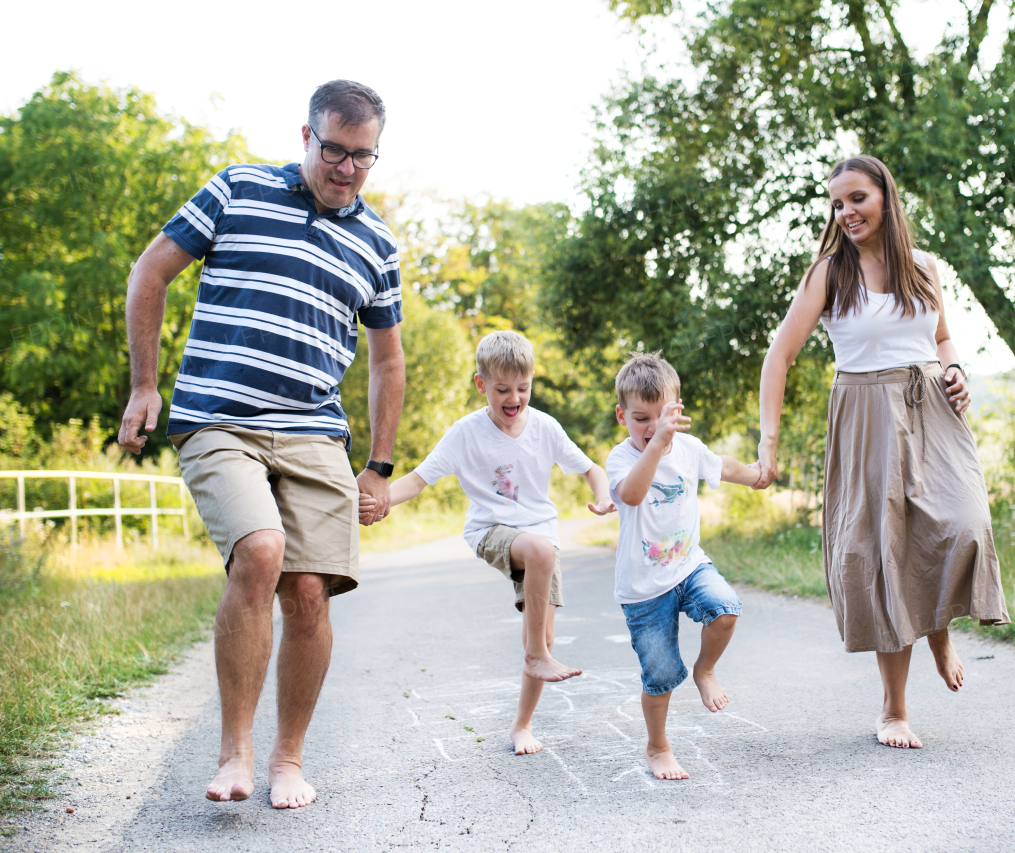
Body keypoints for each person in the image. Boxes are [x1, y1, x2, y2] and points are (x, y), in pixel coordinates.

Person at [117, 80, 405, 808]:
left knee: (310, 592)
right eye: (334, 149)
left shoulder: (377, 243)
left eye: (362, 156)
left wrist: (378, 465)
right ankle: (234, 751)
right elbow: (150, 270)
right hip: (220, 417)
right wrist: (144, 384)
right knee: (262, 550)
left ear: (376, 155)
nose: (346, 167)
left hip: (315, 433)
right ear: (306, 137)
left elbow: (387, 360)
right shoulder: (236, 189)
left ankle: (288, 758)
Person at [755, 155, 1009, 750]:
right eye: (836, 204)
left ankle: (939, 627)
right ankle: (894, 710)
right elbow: (779, 356)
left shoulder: (925, 267)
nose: (845, 213)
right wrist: (769, 442)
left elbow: (941, 335)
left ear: (886, 199)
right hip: (866, 413)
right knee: (885, 553)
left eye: (857, 199)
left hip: (933, 408)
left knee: (965, 521)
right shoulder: (829, 274)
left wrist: (956, 370)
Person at [373, 330, 614, 756]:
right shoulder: (466, 433)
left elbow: (591, 468)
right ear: (481, 384)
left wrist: (602, 493)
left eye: (523, 388)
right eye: (502, 389)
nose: (514, 398)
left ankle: (522, 724)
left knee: (544, 632)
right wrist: (381, 498)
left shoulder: (545, 428)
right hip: (490, 530)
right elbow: (420, 478)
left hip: (540, 532)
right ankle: (536, 655)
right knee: (537, 554)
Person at [607, 352, 760, 780]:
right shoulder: (620, 460)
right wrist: (654, 447)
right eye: (641, 419)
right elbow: (633, 494)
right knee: (659, 676)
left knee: (725, 608)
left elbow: (720, 465)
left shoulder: (689, 447)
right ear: (622, 416)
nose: (653, 428)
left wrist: (755, 474)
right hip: (643, 588)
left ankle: (705, 668)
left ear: (678, 410)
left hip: (689, 566)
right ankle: (657, 746)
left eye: (663, 417)